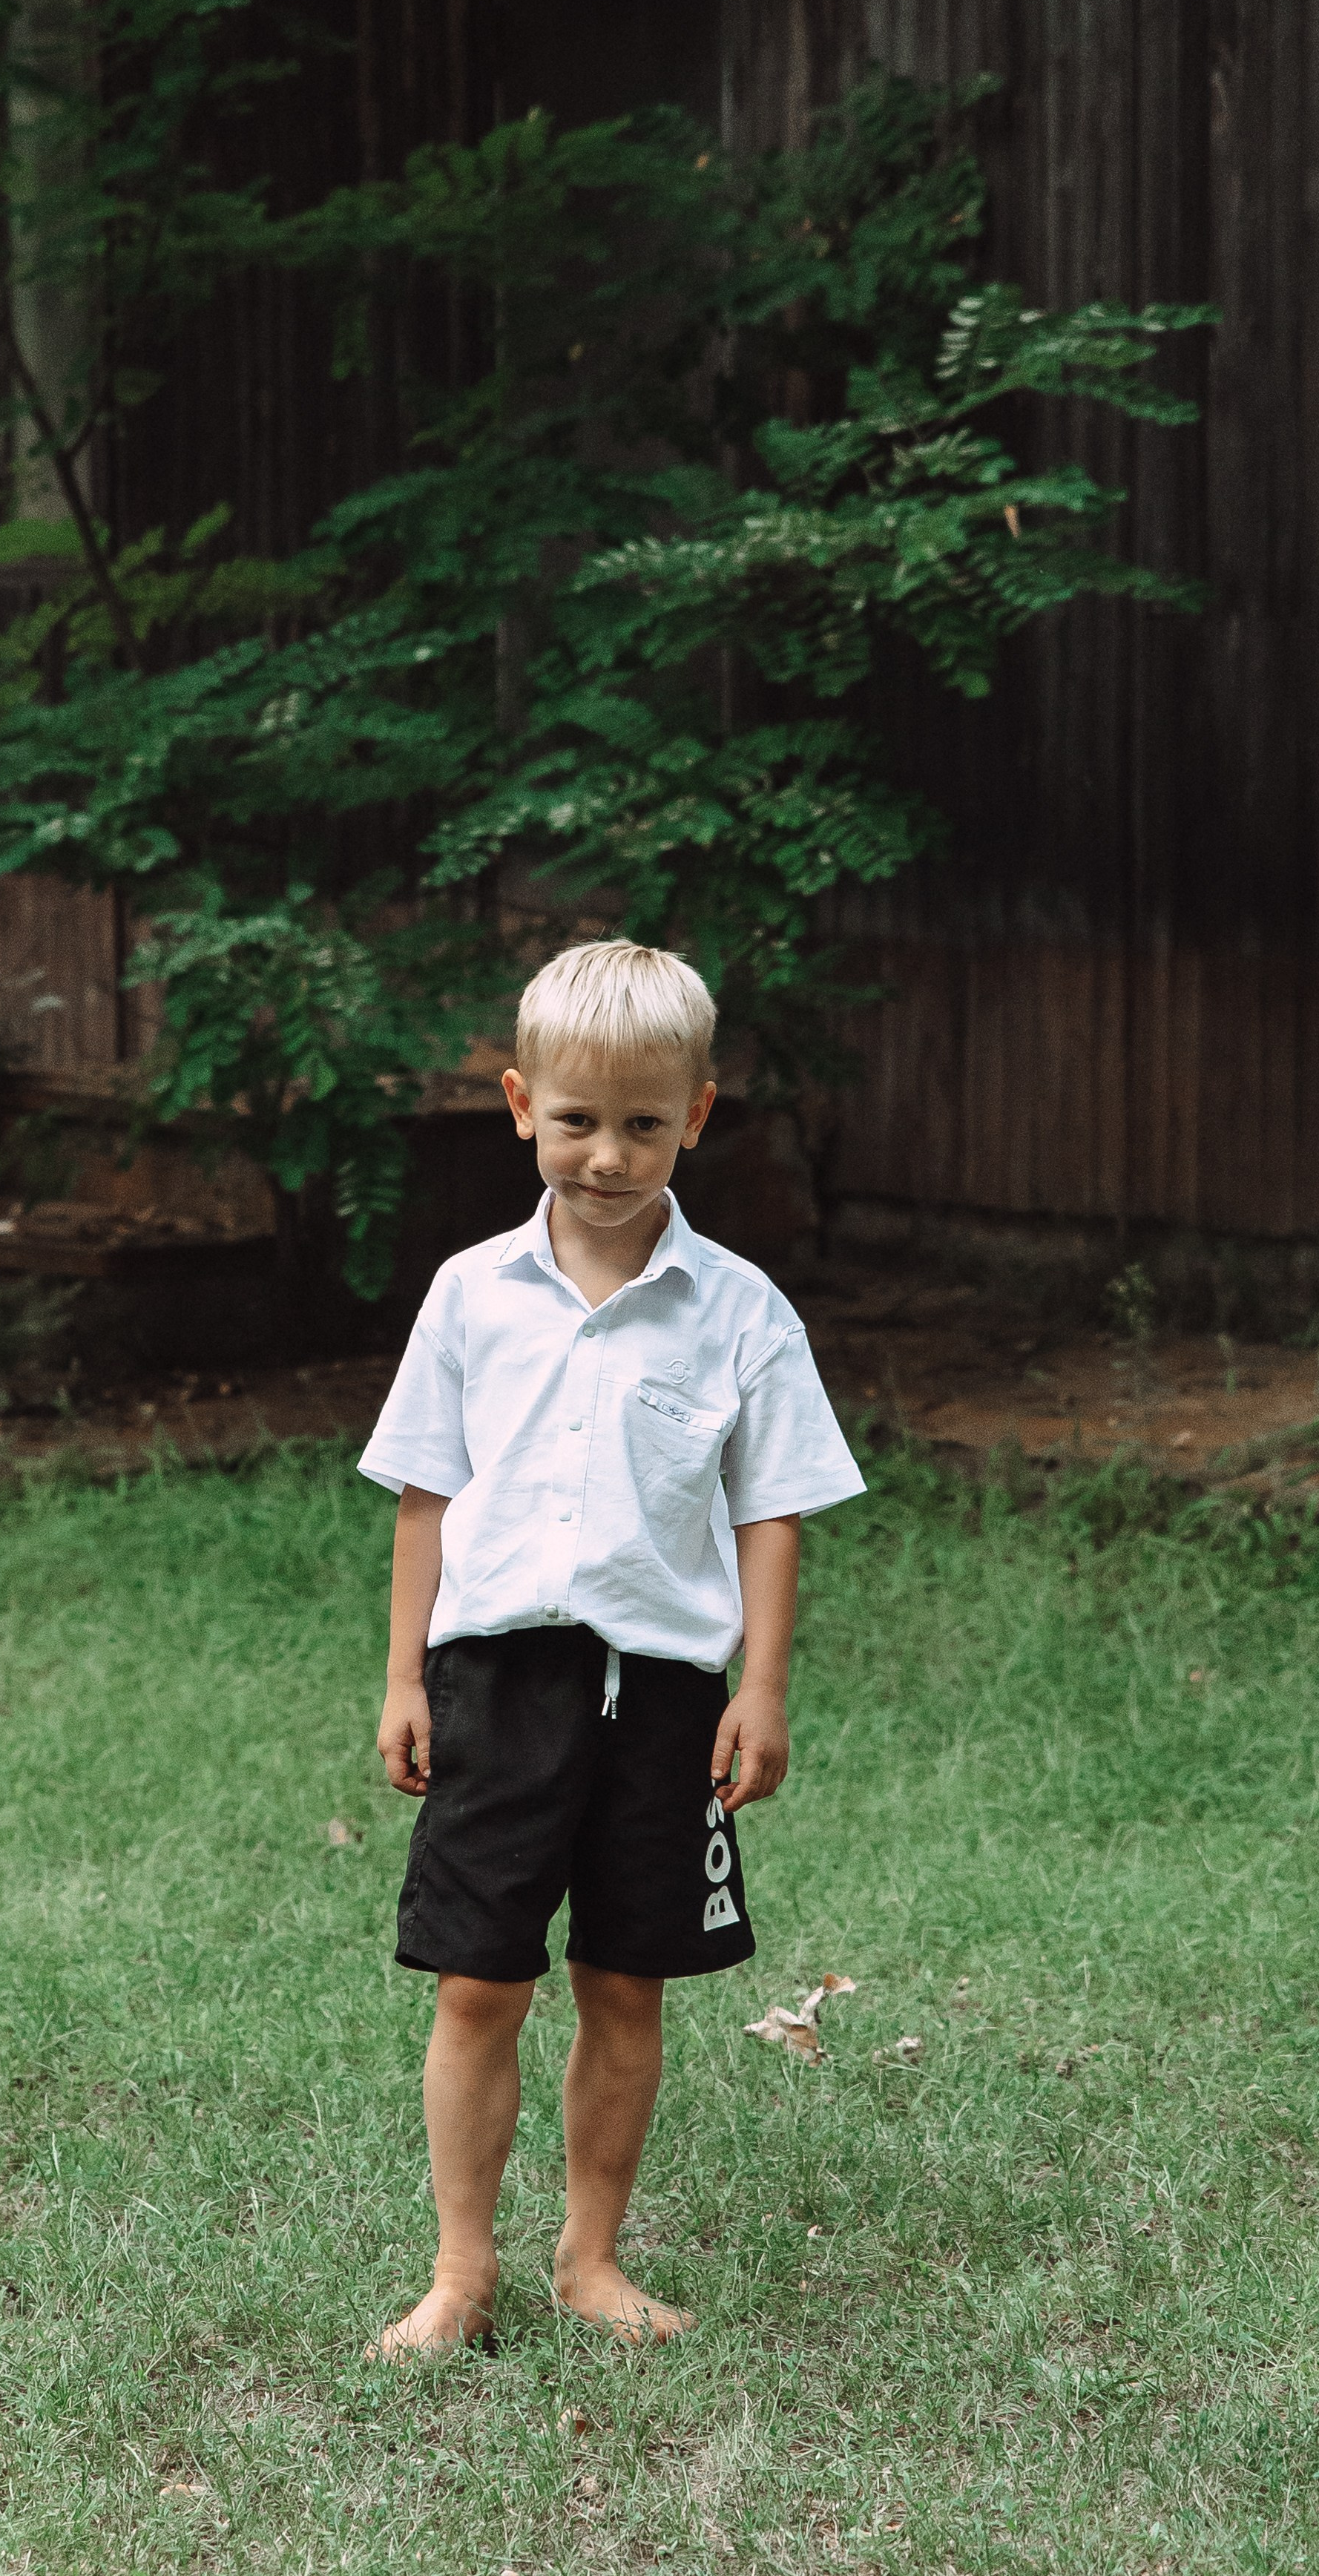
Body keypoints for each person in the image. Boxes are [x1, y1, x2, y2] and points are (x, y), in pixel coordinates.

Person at [358, 938, 864, 2355]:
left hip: (662, 1697)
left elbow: (770, 1510)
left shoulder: (743, 1310)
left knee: (625, 1983)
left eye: (644, 1123)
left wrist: (762, 1688)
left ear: (695, 1116)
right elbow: (425, 1494)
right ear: (522, 1104)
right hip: (495, 1683)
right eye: (577, 1119)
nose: (607, 1154)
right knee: (479, 1982)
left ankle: (590, 2259)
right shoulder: (470, 1294)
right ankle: (462, 2273)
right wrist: (403, 1678)